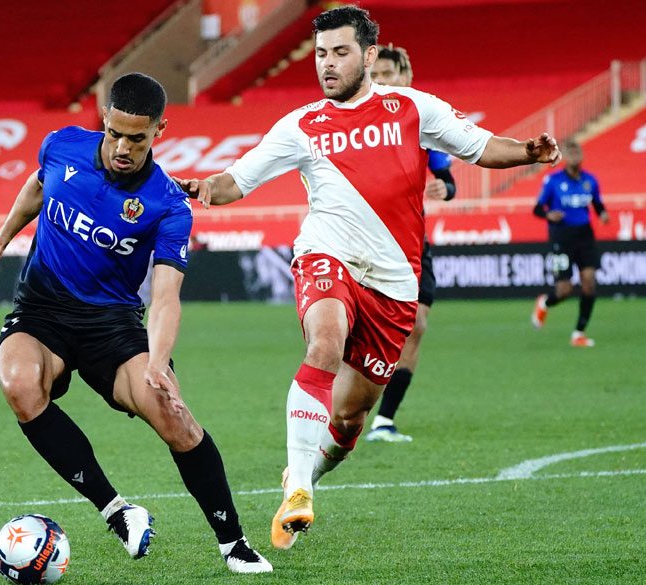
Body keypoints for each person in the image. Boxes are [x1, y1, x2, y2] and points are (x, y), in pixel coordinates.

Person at [174, 5, 561, 550]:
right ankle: (301, 488)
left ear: (370, 55)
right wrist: (204, 188)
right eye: (320, 54)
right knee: (325, 344)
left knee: (352, 416)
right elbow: (239, 178)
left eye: (339, 52)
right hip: (326, 256)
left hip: (395, 283)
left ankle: (304, 475)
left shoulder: (412, 109)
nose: (327, 64)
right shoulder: (302, 124)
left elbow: (480, 147)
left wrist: (527, 153)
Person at [0, 73, 272, 574]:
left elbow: (166, 296)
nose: (124, 147)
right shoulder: (61, 144)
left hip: (111, 321)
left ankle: (233, 543)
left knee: (173, 414)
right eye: (116, 133)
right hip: (42, 307)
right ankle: (118, 512)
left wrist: (157, 359)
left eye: (138, 137)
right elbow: (38, 184)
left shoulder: (168, 203)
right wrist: (0, 241)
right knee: (19, 384)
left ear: (160, 131)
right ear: (104, 120)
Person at [364, 44, 457, 442]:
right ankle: (340, 413)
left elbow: (448, 182)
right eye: (376, 74)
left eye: (388, 74)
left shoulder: (421, 127)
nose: (381, 81)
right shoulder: (359, 127)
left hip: (412, 242)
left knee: (416, 325)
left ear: (405, 79)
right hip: (363, 240)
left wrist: (444, 188)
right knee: (355, 334)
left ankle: (384, 419)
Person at [531, 139, 609, 346]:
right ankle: (544, 303)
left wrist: (603, 214)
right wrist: (549, 215)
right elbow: (538, 209)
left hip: (585, 235)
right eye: (570, 152)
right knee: (564, 290)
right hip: (561, 237)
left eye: (577, 152)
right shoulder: (553, 181)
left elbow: (597, 203)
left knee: (589, 283)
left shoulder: (590, 181)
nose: (574, 156)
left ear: (582, 155)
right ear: (564, 156)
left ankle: (579, 334)